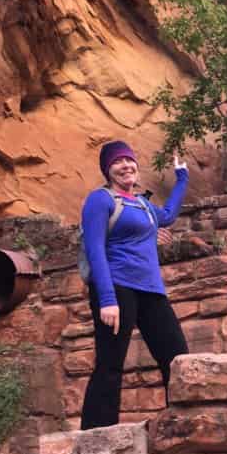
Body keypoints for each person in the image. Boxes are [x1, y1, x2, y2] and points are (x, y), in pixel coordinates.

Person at [80, 140, 189, 430]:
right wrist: (106, 298)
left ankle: (183, 423)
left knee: (177, 356)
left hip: (151, 291)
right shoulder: (100, 200)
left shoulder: (142, 203)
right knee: (111, 362)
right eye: (117, 162)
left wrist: (182, 177)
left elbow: (168, 216)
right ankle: (96, 433)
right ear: (107, 169)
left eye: (130, 160)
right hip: (117, 287)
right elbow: (95, 248)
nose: (126, 165)